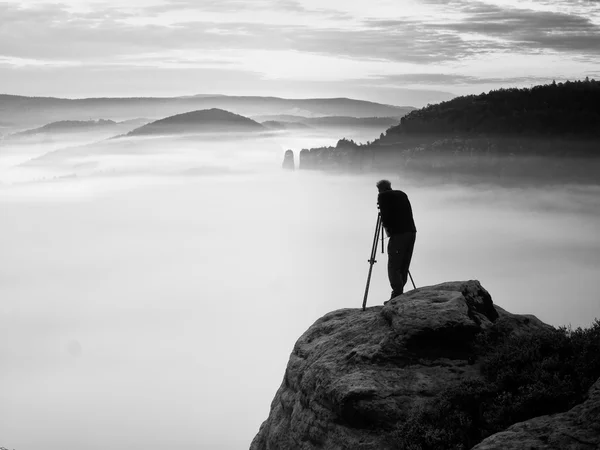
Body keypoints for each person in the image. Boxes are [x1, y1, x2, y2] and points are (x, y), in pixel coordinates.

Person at [376, 179, 416, 300]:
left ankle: (397, 293)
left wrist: (387, 227)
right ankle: (399, 292)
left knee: (393, 265)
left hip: (398, 234)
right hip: (411, 232)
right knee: (404, 263)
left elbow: (386, 218)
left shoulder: (383, 196)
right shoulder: (402, 194)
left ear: (380, 189)